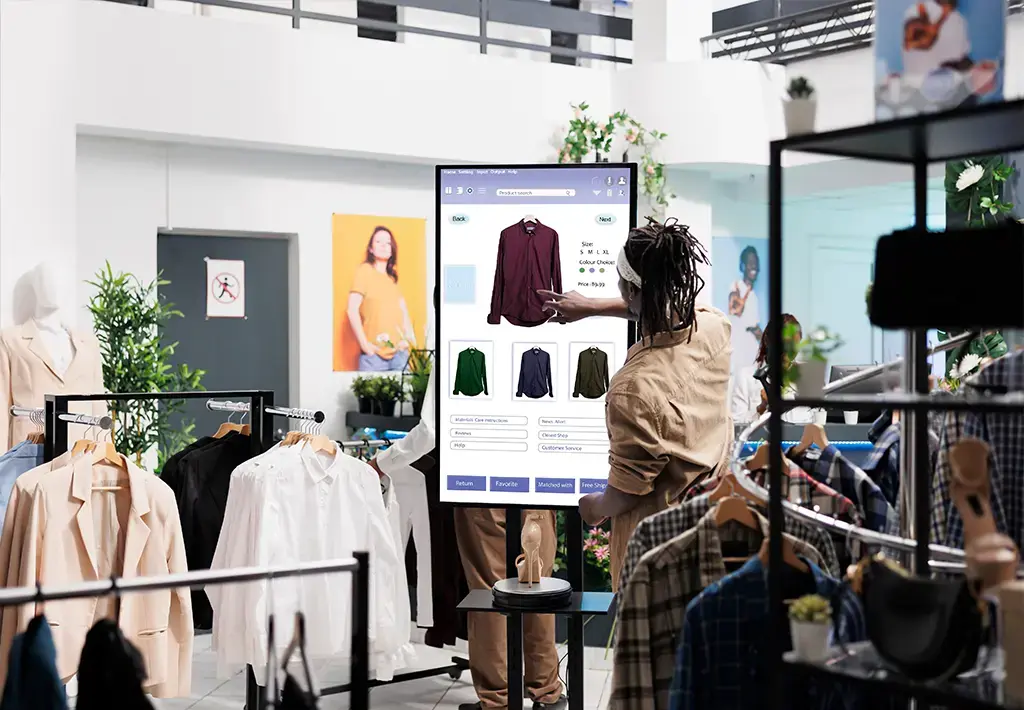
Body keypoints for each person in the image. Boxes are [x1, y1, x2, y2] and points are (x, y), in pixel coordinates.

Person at [369, 288, 565, 710]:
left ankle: (497, 699)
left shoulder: (458, 347)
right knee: (537, 585)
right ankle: (548, 693)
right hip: (538, 479)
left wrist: (385, 460)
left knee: (492, 591)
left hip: (483, 485)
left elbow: (430, 432)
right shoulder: (535, 340)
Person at [554, 218, 733, 590]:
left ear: (632, 290)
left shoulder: (633, 389)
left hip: (654, 561)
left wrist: (593, 509)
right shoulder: (715, 329)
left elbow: (624, 493)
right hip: (714, 535)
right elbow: (659, 310)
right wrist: (592, 307)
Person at [347, 226, 417, 372]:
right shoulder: (364, 271)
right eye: (379, 241)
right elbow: (351, 309)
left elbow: (404, 314)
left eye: (387, 242)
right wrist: (365, 345)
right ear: (371, 249)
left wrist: (408, 342)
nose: (384, 245)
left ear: (392, 250)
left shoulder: (393, 280)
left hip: (399, 356)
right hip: (374, 358)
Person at [731, 313, 815, 425]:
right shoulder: (746, 377)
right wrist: (762, 407)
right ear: (767, 341)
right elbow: (736, 426)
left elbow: (820, 418)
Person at [727, 246, 762, 377]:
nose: (754, 266)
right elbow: (734, 309)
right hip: (738, 353)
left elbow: (755, 327)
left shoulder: (753, 295)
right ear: (743, 265)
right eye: (750, 262)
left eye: (756, 262)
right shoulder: (736, 286)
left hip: (751, 353)